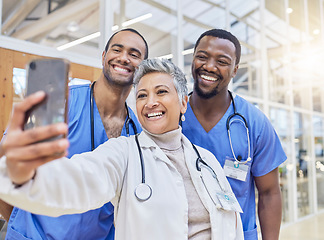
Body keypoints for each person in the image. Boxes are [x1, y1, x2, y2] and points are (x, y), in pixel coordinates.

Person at [0, 58, 243, 240]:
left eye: (161, 92)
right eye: (141, 96)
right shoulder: (123, 153)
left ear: (183, 102)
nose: (150, 103)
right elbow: (80, 179)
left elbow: (231, 225)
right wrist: (27, 175)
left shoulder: (207, 161)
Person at [0, 28, 148, 240]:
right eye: (117, 50)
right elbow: (5, 169)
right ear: (104, 56)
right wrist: (22, 228)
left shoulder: (137, 131)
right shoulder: (59, 104)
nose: (124, 58)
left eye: (134, 54)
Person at [181, 29, 287, 239]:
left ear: (235, 70)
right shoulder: (173, 114)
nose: (209, 66)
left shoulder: (254, 123)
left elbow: (269, 193)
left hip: (237, 234)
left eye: (222, 61)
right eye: (202, 57)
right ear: (193, 60)